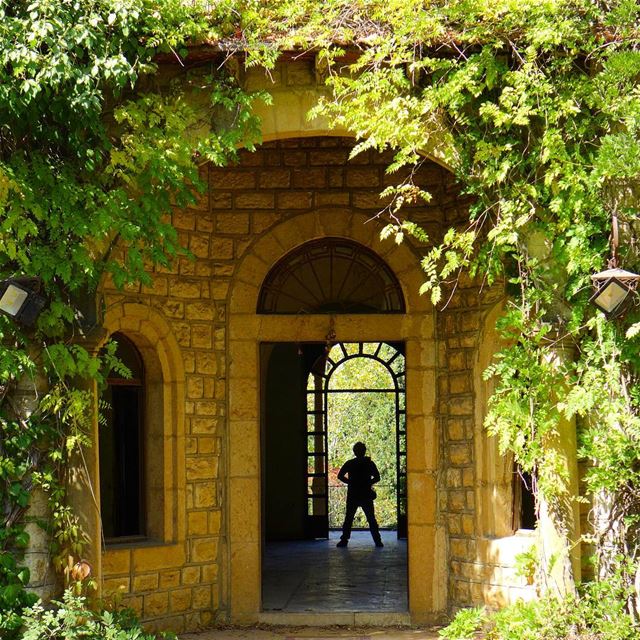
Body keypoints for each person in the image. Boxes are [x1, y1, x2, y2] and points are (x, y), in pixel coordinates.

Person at [336, 442, 383, 548]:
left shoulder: (350, 463)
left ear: (354, 451)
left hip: (353, 494)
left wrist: (351, 482)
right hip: (366, 494)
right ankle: (377, 540)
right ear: (364, 451)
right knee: (371, 518)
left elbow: (340, 476)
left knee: (349, 518)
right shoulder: (369, 463)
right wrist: (367, 483)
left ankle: (344, 540)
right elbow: (377, 477)